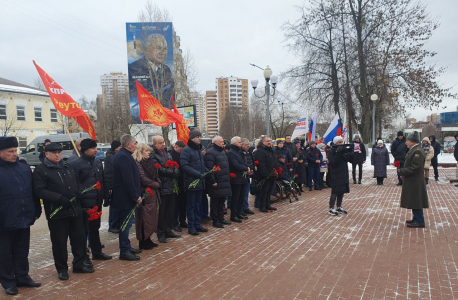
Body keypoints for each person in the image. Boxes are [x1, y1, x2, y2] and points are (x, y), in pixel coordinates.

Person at [33, 143, 92, 281]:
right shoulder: (41, 170)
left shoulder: (67, 166)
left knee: (79, 239)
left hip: (74, 209)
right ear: (46, 154)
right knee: (59, 243)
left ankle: (79, 264)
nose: (57, 155)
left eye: (59, 152)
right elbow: (39, 190)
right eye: (53, 152)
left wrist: (79, 192)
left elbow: (77, 182)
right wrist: (59, 199)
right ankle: (62, 269)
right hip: (57, 213)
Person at [0, 137, 41, 296]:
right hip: (4, 220)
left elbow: (33, 192)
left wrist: (36, 210)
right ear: (1, 153)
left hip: (23, 217)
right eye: (10, 152)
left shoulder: (24, 168)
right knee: (4, 254)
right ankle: (8, 281)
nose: (14, 154)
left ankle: (22, 277)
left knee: (21, 251)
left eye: (15, 151)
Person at [69, 139, 111, 261]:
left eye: (96, 147)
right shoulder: (76, 164)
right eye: (93, 148)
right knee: (83, 232)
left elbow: (102, 181)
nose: (96, 150)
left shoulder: (97, 163)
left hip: (96, 202)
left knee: (95, 229)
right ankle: (83, 256)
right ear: (84, 150)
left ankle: (97, 252)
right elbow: (74, 184)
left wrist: (105, 196)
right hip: (84, 203)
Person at [112, 134, 143, 260]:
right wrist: (136, 196)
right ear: (128, 144)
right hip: (124, 197)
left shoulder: (124, 155)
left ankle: (127, 246)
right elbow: (128, 179)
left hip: (125, 197)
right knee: (125, 224)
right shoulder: (123, 156)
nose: (136, 146)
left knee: (128, 224)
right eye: (135, 143)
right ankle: (124, 251)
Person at [129, 34, 174, 109]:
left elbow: (170, 95)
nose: (162, 52)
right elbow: (133, 95)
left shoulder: (166, 69)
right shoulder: (134, 68)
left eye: (165, 49)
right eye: (158, 48)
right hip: (144, 113)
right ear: (147, 50)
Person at [150, 135, 181, 243]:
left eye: (163, 142)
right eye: (160, 142)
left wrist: (174, 171)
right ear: (155, 144)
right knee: (162, 212)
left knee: (170, 210)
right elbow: (158, 169)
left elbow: (176, 167)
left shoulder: (168, 154)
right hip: (162, 187)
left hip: (171, 186)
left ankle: (168, 230)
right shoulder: (153, 155)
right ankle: (161, 233)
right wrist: (172, 172)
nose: (163, 144)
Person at [180, 130, 209, 235]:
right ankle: (191, 226)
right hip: (191, 182)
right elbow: (184, 166)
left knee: (198, 204)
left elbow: (201, 165)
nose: (200, 138)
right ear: (191, 138)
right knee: (191, 205)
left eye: (200, 136)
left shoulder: (198, 150)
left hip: (200, 182)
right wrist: (198, 174)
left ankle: (198, 224)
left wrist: (207, 171)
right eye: (197, 136)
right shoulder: (186, 150)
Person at [133, 143, 161, 250]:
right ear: (140, 152)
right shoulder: (138, 163)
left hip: (152, 192)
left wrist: (158, 182)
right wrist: (156, 184)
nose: (149, 152)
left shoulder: (149, 162)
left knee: (151, 217)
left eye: (149, 150)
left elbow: (155, 175)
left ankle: (148, 238)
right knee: (144, 217)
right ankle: (143, 241)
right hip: (144, 192)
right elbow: (142, 178)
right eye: (146, 151)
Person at [399, 131, 429, 228]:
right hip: (412, 180)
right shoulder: (414, 150)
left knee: (416, 200)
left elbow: (416, 167)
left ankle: (420, 220)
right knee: (413, 199)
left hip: (415, 180)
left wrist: (403, 171)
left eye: (407, 140)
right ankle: (416, 218)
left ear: (413, 141)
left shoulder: (417, 151)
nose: (406, 142)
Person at [204, 136, 232, 228]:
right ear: (216, 143)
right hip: (216, 181)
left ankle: (221, 218)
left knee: (221, 201)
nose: (223, 143)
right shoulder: (210, 153)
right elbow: (209, 168)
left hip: (223, 181)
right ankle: (215, 220)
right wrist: (213, 180)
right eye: (221, 141)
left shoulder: (222, 152)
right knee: (215, 202)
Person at [227, 136, 250, 223]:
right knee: (235, 198)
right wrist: (245, 168)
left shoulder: (239, 152)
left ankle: (239, 213)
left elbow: (243, 162)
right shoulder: (231, 153)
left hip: (242, 178)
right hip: (236, 179)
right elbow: (235, 165)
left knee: (241, 197)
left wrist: (246, 168)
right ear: (234, 143)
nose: (241, 144)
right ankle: (233, 215)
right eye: (239, 142)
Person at [327, 136, 350, 216]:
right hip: (336, 173)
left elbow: (348, 159)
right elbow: (333, 162)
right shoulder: (331, 151)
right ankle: (331, 207)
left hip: (343, 173)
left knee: (342, 190)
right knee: (335, 191)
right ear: (335, 143)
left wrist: (350, 152)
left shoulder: (342, 150)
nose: (341, 144)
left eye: (342, 142)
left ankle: (339, 206)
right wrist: (338, 153)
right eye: (339, 142)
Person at [253, 136, 277, 212]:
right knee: (264, 191)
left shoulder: (271, 150)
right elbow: (261, 164)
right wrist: (265, 175)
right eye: (267, 141)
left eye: (270, 141)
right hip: (265, 175)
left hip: (272, 174)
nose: (269, 142)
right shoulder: (260, 151)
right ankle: (262, 206)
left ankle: (267, 204)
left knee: (269, 190)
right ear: (263, 142)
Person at [169, 140, 187, 232]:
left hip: (183, 182)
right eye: (180, 149)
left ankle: (183, 221)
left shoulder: (183, 155)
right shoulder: (171, 155)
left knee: (183, 204)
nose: (181, 151)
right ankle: (174, 223)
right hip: (175, 182)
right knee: (175, 205)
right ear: (176, 147)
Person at [105, 140, 121, 233]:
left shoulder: (114, 155)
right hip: (113, 185)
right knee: (114, 206)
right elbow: (109, 172)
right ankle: (113, 224)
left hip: (116, 184)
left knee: (117, 205)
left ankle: (116, 223)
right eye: (119, 147)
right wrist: (110, 186)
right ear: (115, 148)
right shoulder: (110, 157)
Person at [241, 138, 255, 215]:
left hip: (249, 174)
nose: (248, 146)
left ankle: (245, 207)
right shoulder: (241, 153)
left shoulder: (249, 152)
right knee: (243, 192)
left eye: (249, 144)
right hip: (243, 174)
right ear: (242, 145)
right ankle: (243, 208)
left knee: (246, 192)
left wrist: (253, 167)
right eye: (246, 145)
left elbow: (251, 161)